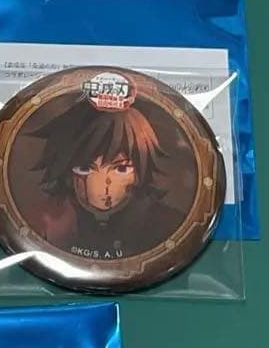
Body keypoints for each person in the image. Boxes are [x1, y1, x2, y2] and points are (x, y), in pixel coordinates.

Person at [27, 95, 184, 257]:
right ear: (67, 173)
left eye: (121, 169)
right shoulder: (42, 223)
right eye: (85, 168)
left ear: (139, 173)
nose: (103, 187)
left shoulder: (170, 224)